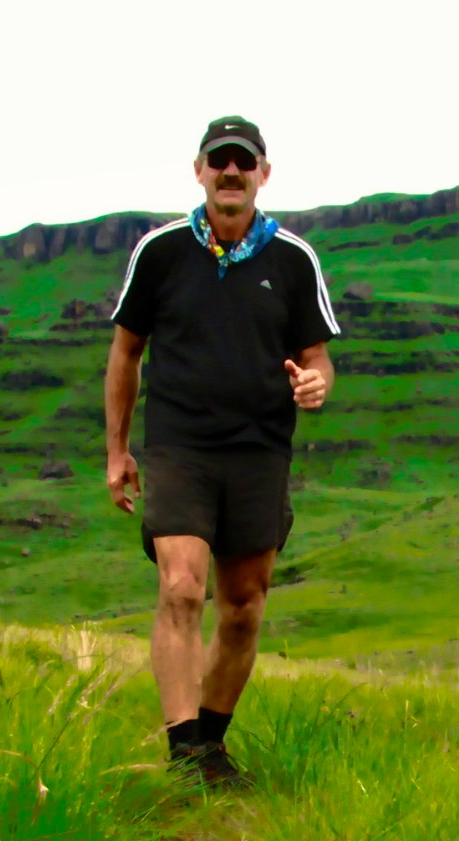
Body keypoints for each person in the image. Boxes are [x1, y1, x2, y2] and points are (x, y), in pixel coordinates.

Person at [104, 115, 339, 787]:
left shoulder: (294, 259)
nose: (231, 173)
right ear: (199, 169)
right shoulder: (162, 251)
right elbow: (126, 352)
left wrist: (316, 383)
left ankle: (210, 744)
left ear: (264, 173)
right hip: (181, 444)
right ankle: (183, 756)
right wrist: (117, 451)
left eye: (244, 162)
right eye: (219, 161)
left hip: (261, 450)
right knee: (181, 587)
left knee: (244, 606)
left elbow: (317, 353)